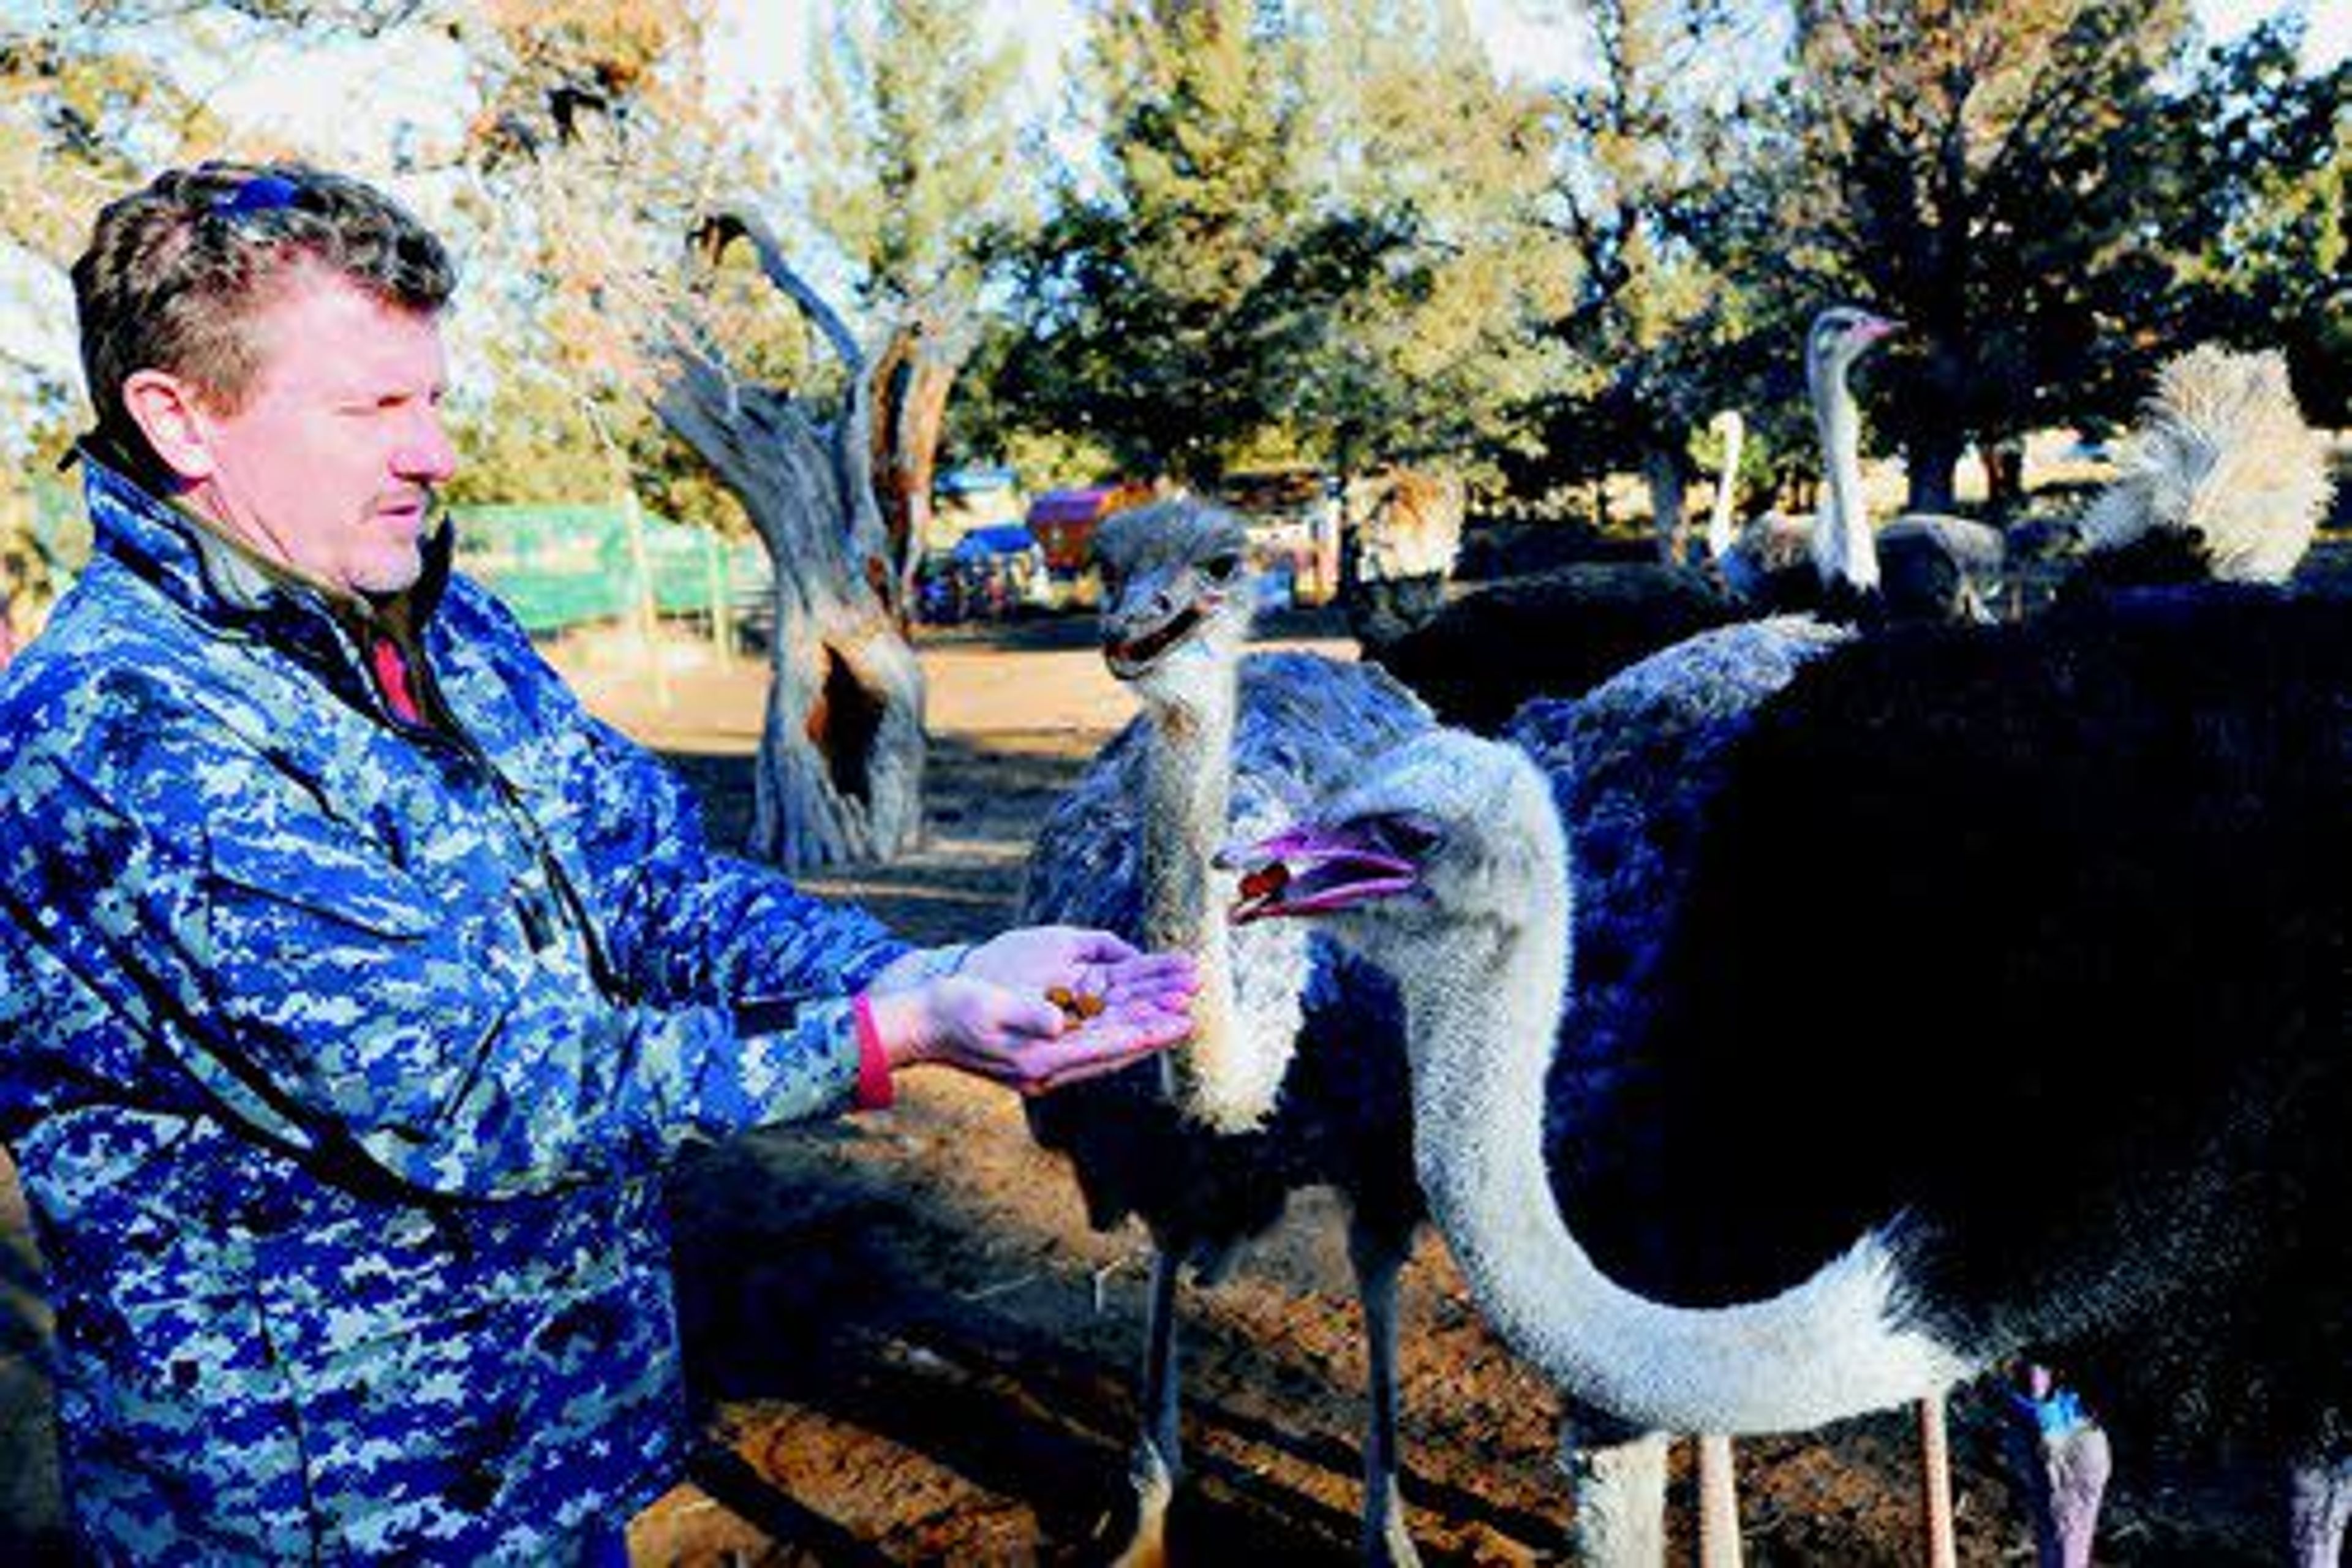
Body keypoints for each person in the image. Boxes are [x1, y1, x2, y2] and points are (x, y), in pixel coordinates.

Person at [0, 160, 1197, 1562]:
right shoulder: (117, 732)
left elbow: (656, 888)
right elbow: (473, 1082)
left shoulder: (437, 625)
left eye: (433, 397)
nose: (435, 450)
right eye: (375, 406)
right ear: (179, 417)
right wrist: (891, 1032)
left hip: (542, 1455)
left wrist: (927, 964)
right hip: (327, 1507)